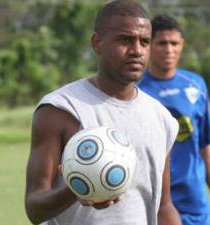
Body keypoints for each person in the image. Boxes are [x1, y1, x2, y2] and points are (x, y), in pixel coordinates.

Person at [24, 1, 182, 225]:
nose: (137, 50)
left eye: (144, 41)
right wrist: (80, 189)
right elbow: (34, 207)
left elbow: (163, 206)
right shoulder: (61, 109)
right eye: (125, 40)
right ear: (97, 43)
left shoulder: (162, 118)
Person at [138, 15, 210, 225]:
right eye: (162, 43)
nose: (169, 50)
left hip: (194, 197)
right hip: (155, 197)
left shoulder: (196, 85)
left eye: (174, 43)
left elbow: (205, 148)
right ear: (149, 46)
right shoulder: (136, 90)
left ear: (182, 45)